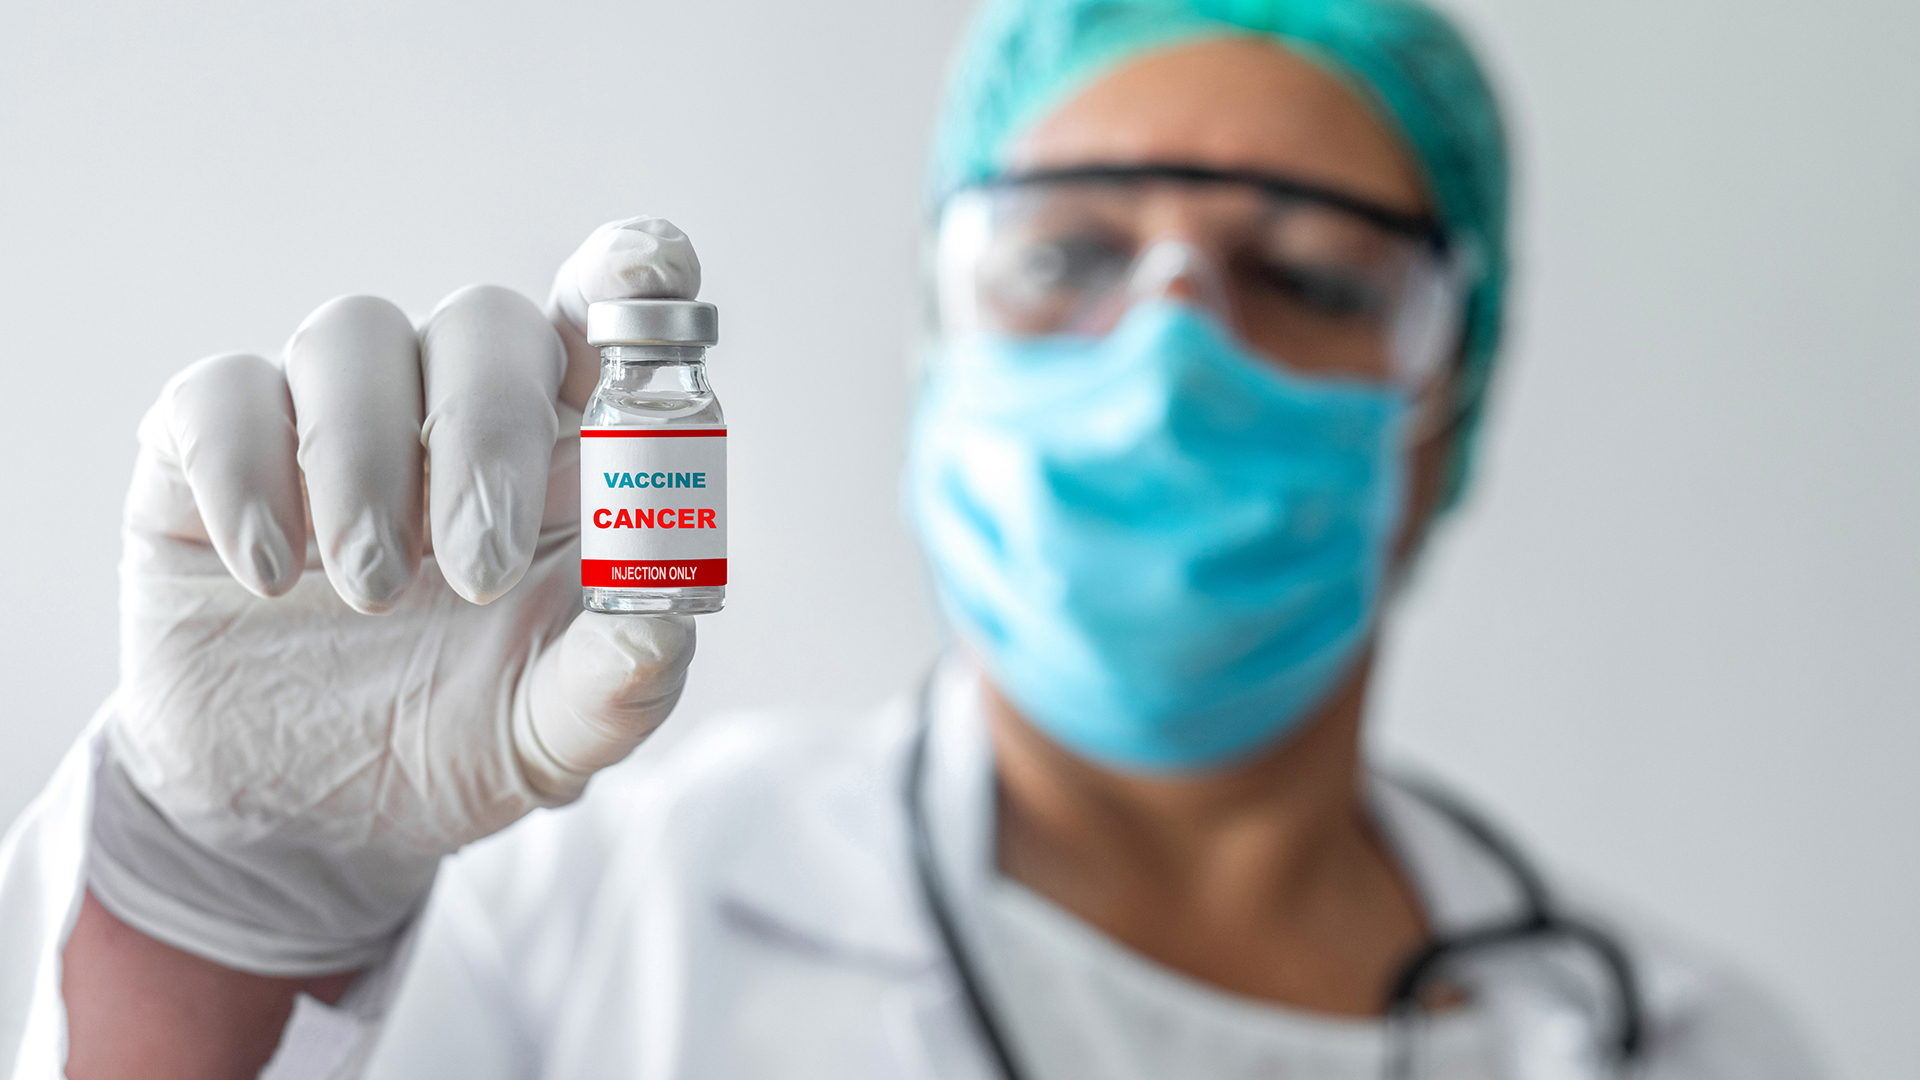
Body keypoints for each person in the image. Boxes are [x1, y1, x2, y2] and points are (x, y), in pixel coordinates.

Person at [0, 0, 1823, 1077]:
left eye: (1311, 278)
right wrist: (224, 913)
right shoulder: (586, 937)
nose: (1167, 357)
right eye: (1069, 254)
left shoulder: (1690, 1048)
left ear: (1449, 406)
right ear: (937, 343)